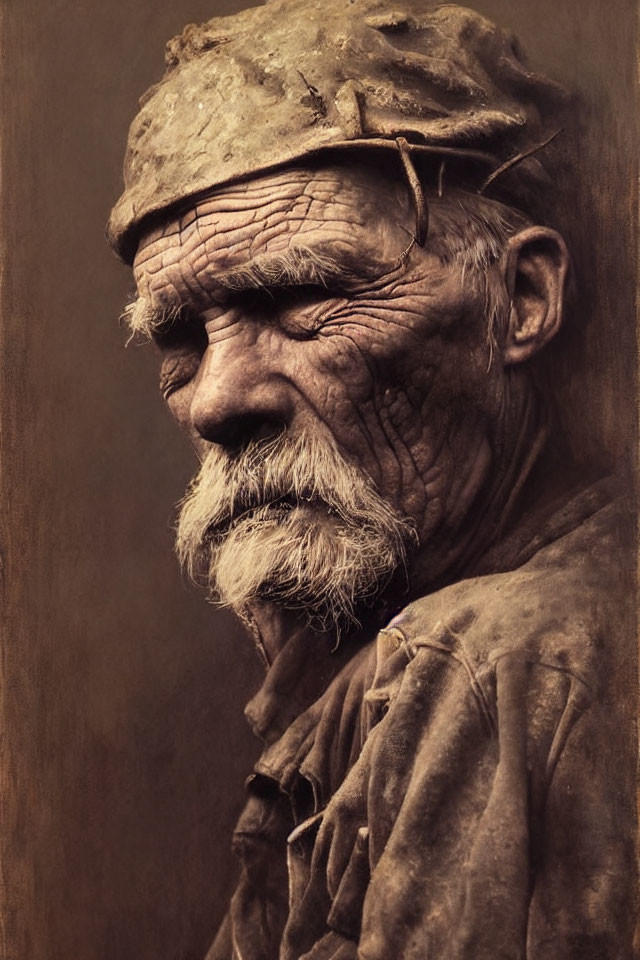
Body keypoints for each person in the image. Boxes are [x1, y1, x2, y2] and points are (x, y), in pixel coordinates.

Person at [107, 1, 637, 957]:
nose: (218, 401)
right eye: (182, 337)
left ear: (519, 300)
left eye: (301, 296)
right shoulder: (390, 657)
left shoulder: (491, 665)